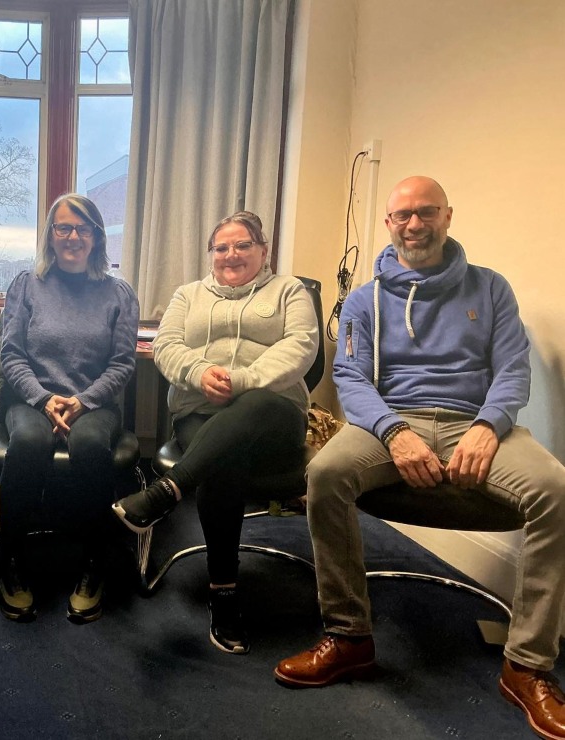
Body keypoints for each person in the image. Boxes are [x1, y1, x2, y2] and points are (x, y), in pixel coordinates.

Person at [274, 176, 565, 740]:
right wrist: (394, 431)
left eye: (426, 212)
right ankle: (349, 636)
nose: (414, 224)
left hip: (474, 422)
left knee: (554, 488)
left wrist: (488, 425)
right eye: (402, 215)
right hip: (391, 419)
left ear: (448, 216)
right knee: (326, 472)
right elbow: (352, 377)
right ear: (388, 224)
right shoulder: (364, 299)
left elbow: (513, 370)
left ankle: (527, 665)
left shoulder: (491, 289)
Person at [112, 211, 319, 653]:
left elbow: (301, 346)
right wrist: (201, 372)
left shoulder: (289, 291)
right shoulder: (188, 295)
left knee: (257, 404)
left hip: (274, 416)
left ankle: (167, 490)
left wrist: (241, 382)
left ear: (263, 251)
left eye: (243, 245)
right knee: (223, 459)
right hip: (200, 413)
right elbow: (166, 347)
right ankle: (223, 593)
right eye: (222, 247)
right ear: (211, 255)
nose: (232, 254)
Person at [0, 193, 139, 624]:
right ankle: (14, 561)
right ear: (50, 236)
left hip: (93, 402)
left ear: (96, 236)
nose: (73, 236)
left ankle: (93, 564)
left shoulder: (118, 292)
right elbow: (11, 354)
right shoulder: (27, 284)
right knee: (26, 442)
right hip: (31, 399)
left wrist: (83, 401)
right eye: (63, 228)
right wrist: (43, 398)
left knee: (92, 444)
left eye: (83, 228)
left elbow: (123, 363)